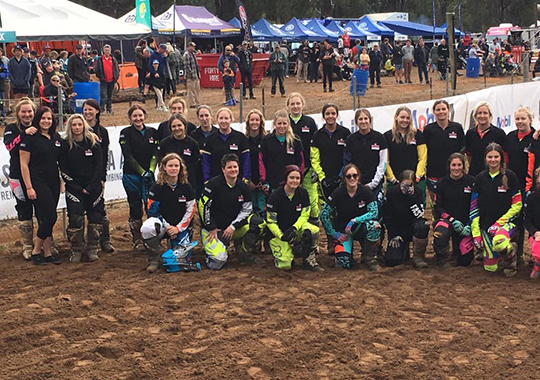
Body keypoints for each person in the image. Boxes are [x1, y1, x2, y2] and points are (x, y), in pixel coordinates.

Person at [198, 153, 264, 269]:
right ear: (223, 169)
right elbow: (203, 207)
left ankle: (243, 251)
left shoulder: (243, 187)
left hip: (232, 229)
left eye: (235, 167)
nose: (233, 170)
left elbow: (247, 210)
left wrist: (233, 226)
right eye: (229, 167)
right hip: (214, 230)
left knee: (261, 224)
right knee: (218, 262)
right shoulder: (213, 185)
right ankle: (211, 253)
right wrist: (211, 227)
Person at [470, 143, 522, 277]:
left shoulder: (510, 176)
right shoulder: (480, 178)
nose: (493, 160)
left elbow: (517, 205)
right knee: (490, 268)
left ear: (501, 158)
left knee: (499, 243)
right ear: (485, 159)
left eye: (496, 157)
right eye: (490, 157)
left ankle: (510, 256)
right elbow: (474, 208)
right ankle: (495, 255)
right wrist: (476, 233)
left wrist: (499, 223)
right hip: (486, 225)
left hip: (506, 224)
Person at [19, 107, 62, 265]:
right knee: (51, 216)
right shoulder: (30, 137)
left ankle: (48, 253)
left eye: (49, 119)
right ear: (38, 119)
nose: (46, 121)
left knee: (46, 218)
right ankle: (36, 250)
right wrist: (29, 187)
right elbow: (24, 164)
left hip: (54, 182)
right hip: (38, 182)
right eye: (43, 118)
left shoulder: (55, 137)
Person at [59, 114, 104, 263]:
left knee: (96, 216)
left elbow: (100, 166)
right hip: (74, 188)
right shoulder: (65, 145)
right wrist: (76, 187)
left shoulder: (94, 143)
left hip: (93, 187)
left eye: (79, 124)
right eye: (74, 125)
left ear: (84, 125)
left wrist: (91, 185)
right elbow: (63, 168)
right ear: (69, 127)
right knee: (75, 218)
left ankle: (92, 248)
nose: (77, 127)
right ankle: (76, 249)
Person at [142, 153, 197, 273]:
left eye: (176, 165)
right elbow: (152, 211)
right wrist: (167, 227)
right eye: (170, 165)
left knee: (180, 260)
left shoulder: (186, 187)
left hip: (180, 227)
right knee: (147, 227)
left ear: (180, 168)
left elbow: (191, 210)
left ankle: (174, 245)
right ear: (164, 168)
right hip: (162, 226)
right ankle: (153, 260)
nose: (173, 168)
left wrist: (178, 228)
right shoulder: (156, 187)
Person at [321, 164, 381, 270]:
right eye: (348, 176)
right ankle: (347, 254)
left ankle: (369, 257)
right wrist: (333, 233)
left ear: (358, 177)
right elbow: (324, 214)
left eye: (355, 175)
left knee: (375, 226)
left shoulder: (366, 192)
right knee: (343, 264)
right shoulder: (338, 193)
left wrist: (355, 220)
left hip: (360, 228)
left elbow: (374, 212)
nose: (352, 178)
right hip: (343, 232)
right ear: (344, 178)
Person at [266, 165, 323, 271]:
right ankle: (287, 253)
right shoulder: (275, 196)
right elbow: (271, 221)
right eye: (291, 178)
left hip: (295, 229)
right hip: (279, 233)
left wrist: (294, 228)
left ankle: (308, 259)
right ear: (285, 178)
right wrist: (281, 236)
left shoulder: (303, 193)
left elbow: (305, 215)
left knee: (313, 230)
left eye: (297, 178)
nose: (295, 181)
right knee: (286, 265)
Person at [119, 105, 159, 249]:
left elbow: (156, 153)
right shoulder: (125, 133)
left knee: (151, 207)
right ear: (130, 118)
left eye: (140, 115)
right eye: (134, 116)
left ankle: (152, 237)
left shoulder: (153, 132)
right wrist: (142, 172)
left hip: (149, 176)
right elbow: (128, 156)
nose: (138, 118)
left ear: (145, 116)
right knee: (135, 207)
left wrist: (151, 170)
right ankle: (137, 239)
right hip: (131, 176)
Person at [4, 98, 37, 260]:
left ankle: (44, 243)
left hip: (38, 175)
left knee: (43, 208)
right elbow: (10, 147)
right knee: (24, 208)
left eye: (29, 111)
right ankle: (27, 245)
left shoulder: (39, 126)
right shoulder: (11, 128)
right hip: (17, 175)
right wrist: (24, 133)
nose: (27, 114)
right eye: (23, 111)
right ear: (18, 113)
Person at [432, 153, 475, 268]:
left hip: (466, 224)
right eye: (454, 165)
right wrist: (451, 219)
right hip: (447, 221)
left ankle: (458, 251)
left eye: (459, 165)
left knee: (465, 261)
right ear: (449, 166)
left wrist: (470, 224)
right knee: (440, 233)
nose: (456, 168)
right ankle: (442, 258)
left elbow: (476, 205)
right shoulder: (441, 183)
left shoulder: (472, 182)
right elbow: (437, 207)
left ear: (463, 166)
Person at [82, 99, 114, 253]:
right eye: (85, 109)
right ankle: (82, 244)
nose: (88, 112)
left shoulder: (103, 131)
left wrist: (102, 178)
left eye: (91, 110)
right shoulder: (77, 128)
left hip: (97, 177)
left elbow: (104, 158)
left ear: (97, 111)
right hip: (81, 177)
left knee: (99, 207)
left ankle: (105, 240)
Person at [505, 107, 535, 262]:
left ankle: (535, 254)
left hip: (531, 186)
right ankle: (518, 253)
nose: (520, 122)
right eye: (517, 119)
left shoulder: (535, 138)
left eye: (523, 118)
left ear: (530, 119)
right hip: (512, 186)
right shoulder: (510, 137)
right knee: (515, 219)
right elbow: (505, 160)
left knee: (531, 218)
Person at [383, 170, 430, 268]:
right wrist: (394, 234)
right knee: (392, 260)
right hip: (397, 230)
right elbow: (387, 216)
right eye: (404, 185)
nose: (407, 188)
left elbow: (419, 215)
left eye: (410, 185)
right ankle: (403, 249)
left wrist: (412, 200)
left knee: (422, 225)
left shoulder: (418, 192)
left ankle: (418, 257)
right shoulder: (392, 193)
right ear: (399, 182)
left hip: (412, 228)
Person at [423, 100, 465, 197]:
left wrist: (459, 167)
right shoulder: (428, 129)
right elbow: (424, 150)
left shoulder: (457, 127)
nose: (441, 112)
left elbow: (462, 149)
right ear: (434, 112)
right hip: (434, 172)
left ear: (448, 110)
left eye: (443, 109)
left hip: (454, 172)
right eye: (438, 109)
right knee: (436, 203)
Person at [344, 109, 387, 204]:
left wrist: (374, 183)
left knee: (377, 210)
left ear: (370, 120)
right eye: (360, 119)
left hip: (375, 184)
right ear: (356, 122)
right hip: (356, 184)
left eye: (365, 118)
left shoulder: (379, 138)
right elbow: (347, 163)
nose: (363, 121)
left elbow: (383, 163)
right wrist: (355, 181)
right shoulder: (351, 139)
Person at [288, 93, 319, 222]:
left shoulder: (309, 122)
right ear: (288, 106)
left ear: (303, 105)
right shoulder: (285, 122)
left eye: (298, 103)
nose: (295, 106)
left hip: (307, 168)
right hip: (289, 169)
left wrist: (315, 168)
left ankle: (313, 223)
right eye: (292, 104)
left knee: (311, 197)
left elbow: (316, 146)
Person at [384, 106, 427, 200]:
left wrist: (417, 176)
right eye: (402, 117)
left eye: (407, 118)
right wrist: (392, 179)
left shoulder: (417, 134)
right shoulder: (387, 136)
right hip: (395, 181)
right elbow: (385, 160)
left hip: (416, 180)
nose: (405, 120)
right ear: (396, 117)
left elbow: (423, 157)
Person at [311, 104, 350, 202]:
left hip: (342, 177)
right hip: (324, 179)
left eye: (333, 113)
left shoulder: (345, 133)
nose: (330, 116)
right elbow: (314, 159)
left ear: (337, 115)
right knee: (326, 207)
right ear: (323, 116)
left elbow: (349, 156)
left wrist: (342, 175)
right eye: (327, 114)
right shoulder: (317, 135)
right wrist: (322, 178)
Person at [201, 107, 251, 182]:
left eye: (226, 118)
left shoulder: (240, 137)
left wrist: (246, 178)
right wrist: (206, 179)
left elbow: (246, 160)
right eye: (221, 118)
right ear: (217, 120)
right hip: (216, 181)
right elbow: (206, 161)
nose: (223, 121)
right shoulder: (210, 138)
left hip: (236, 181)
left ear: (231, 119)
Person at [259, 109, 304, 191]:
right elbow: (261, 161)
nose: (282, 126)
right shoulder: (266, 140)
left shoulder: (296, 140)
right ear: (274, 123)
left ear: (288, 124)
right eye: (279, 123)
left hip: (291, 184)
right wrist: (264, 181)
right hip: (273, 184)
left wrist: (299, 179)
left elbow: (300, 162)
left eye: (284, 123)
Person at [156, 113, 200, 189]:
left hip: (188, 182)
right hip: (169, 182)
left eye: (179, 125)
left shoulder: (193, 143)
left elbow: (195, 163)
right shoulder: (164, 144)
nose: (177, 128)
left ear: (185, 126)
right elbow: (161, 163)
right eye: (173, 126)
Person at [465, 101, 506, 177]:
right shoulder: (470, 133)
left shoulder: (499, 133)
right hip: (474, 174)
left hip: (493, 175)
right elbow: (469, 155)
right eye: (479, 113)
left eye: (485, 113)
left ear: (490, 115)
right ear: (475, 116)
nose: (482, 116)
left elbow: (504, 156)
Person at [190, 105, 217, 197]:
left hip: (215, 172)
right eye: (201, 116)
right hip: (198, 174)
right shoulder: (193, 136)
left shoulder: (218, 133)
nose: (204, 118)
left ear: (211, 116)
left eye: (206, 115)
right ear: (198, 118)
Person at [245, 109, 267, 216]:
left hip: (263, 182)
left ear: (261, 122)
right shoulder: (244, 141)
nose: (254, 122)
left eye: (257, 120)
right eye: (252, 120)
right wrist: (248, 181)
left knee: (262, 208)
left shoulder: (266, 140)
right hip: (249, 182)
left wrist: (264, 181)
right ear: (248, 122)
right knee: (251, 209)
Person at [94, 45, 120, 114]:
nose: (107, 52)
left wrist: (116, 78)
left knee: (110, 95)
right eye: (106, 50)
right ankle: (102, 109)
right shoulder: (100, 59)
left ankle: (109, 109)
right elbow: (96, 69)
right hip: (104, 80)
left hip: (112, 80)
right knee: (103, 95)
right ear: (103, 51)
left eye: (108, 50)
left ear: (110, 51)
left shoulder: (113, 59)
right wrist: (100, 77)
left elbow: (117, 69)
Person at [524, 167, 540, 279]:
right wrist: (535, 232)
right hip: (537, 235)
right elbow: (527, 220)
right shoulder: (532, 198)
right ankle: (537, 264)